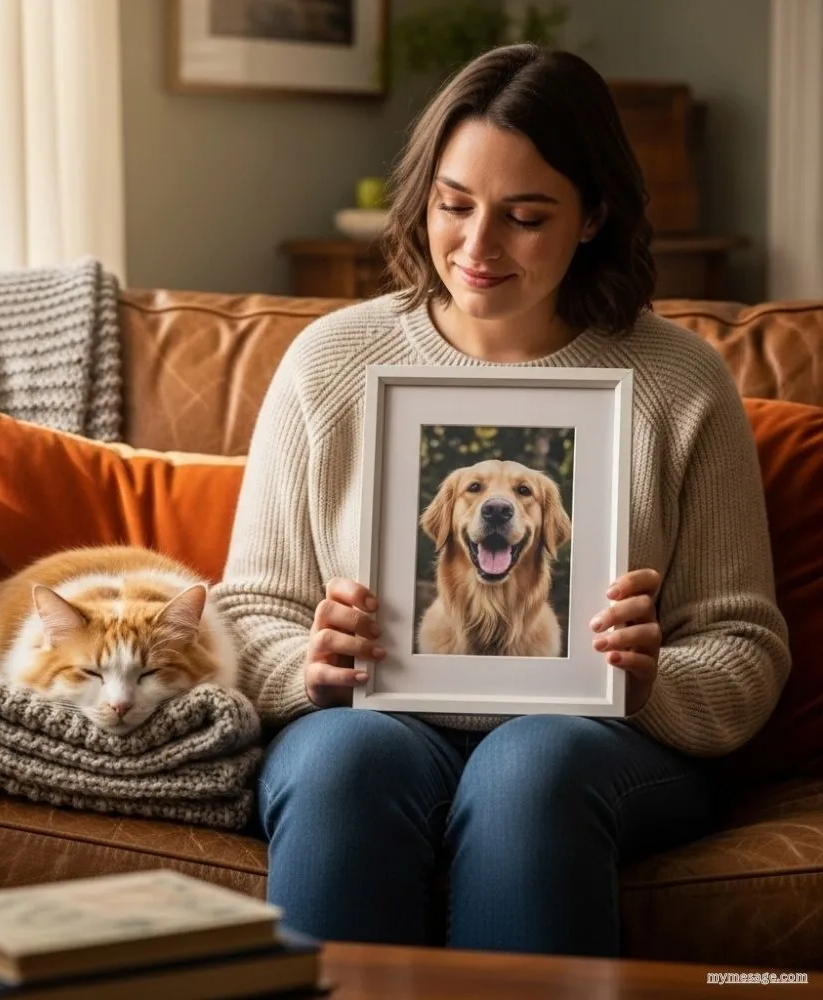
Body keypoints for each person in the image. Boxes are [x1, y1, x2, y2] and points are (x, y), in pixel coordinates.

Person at [210, 44, 790, 957]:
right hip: (378, 726)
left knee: (530, 766)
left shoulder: (679, 384)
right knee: (343, 764)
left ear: (594, 215)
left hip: (601, 747)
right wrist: (307, 667)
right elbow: (246, 611)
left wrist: (652, 681)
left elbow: (746, 647)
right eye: (453, 205)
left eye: (524, 217)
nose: (476, 249)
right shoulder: (330, 363)